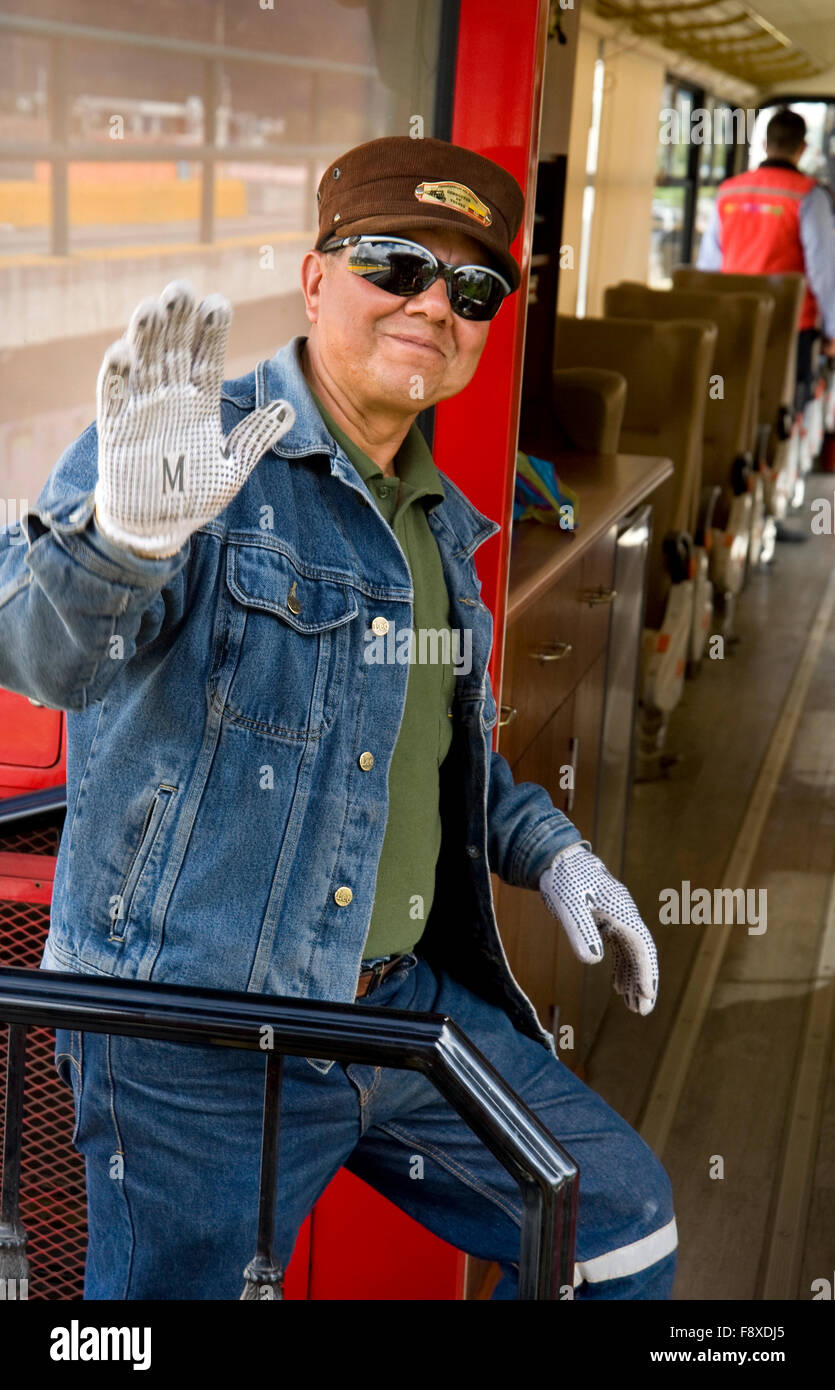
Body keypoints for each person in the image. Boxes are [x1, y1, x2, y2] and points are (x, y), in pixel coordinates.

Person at [0, 136, 676, 1300]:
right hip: (194, 1036)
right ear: (316, 281)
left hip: (392, 1015)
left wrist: (554, 853)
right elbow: (46, 654)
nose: (432, 304)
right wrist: (123, 545)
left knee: (616, 1226)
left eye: (470, 288)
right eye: (394, 264)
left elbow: (430, 757)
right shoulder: (180, 453)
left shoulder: (436, 526)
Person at [697, 105, 835, 409]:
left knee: (730, 401)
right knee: (778, 404)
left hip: (733, 316)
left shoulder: (729, 191)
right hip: (789, 323)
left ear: (764, 144)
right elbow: (824, 268)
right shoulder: (809, 196)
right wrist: (833, 330)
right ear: (802, 148)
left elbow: (708, 266)